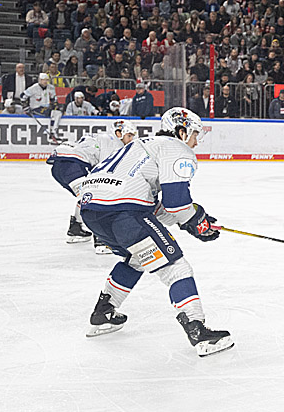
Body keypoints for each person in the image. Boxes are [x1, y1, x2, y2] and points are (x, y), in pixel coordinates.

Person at [78, 108, 233, 357]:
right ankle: (198, 331)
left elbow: (158, 210)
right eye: (194, 134)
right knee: (177, 268)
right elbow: (176, 202)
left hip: (92, 212)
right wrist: (196, 221)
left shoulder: (140, 146)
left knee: (137, 258)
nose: (196, 142)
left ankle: (104, 311)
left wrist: (194, 221)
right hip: (124, 212)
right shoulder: (176, 148)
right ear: (181, 131)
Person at [47, 120, 138, 251]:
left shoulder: (101, 138)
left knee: (86, 195)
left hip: (60, 167)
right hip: (73, 165)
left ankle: (76, 229)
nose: (131, 140)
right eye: (129, 136)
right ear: (119, 133)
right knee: (99, 196)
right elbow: (105, 171)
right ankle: (101, 240)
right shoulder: (113, 142)